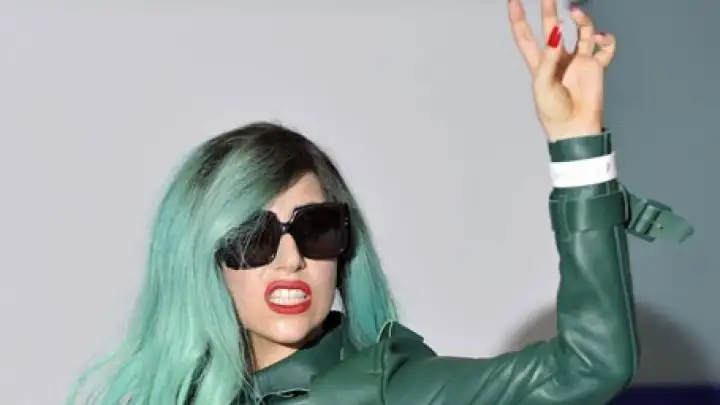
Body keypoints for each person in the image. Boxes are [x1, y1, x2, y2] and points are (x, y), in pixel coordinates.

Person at [67, 0, 694, 404]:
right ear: (205, 260)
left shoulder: (390, 390)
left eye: (315, 228)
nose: (290, 259)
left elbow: (591, 364)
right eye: (253, 238)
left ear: (344, 249)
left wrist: (578, 149)